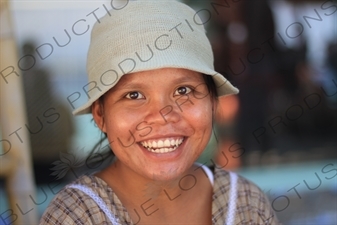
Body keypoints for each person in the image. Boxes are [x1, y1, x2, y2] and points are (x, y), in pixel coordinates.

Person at [40, 1, 280, 224]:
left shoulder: (247, 204)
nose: (163, 115)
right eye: (134, 95)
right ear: (100, 115)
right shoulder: (76, 216)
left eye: (183, 90)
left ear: (213, 103)